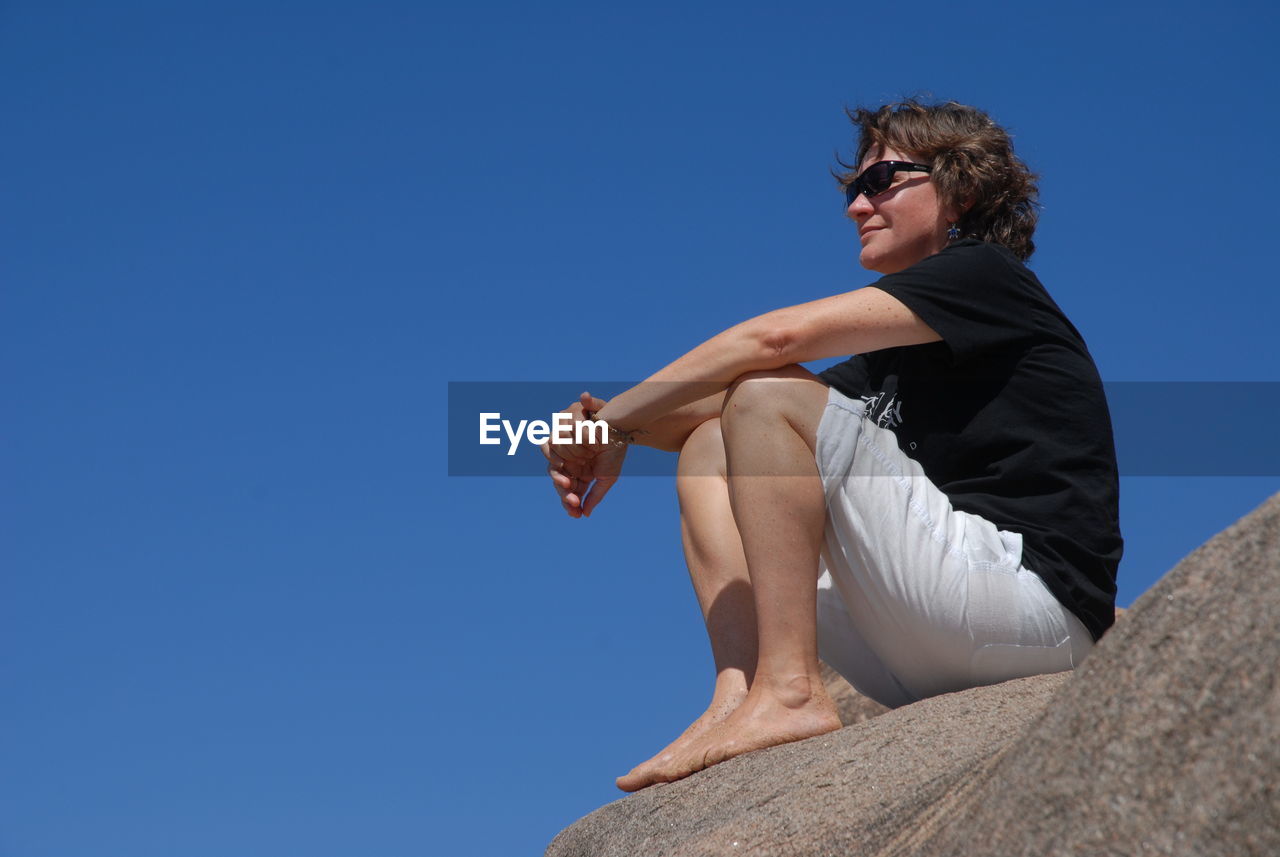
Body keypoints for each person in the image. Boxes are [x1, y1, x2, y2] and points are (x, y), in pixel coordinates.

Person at [543, 99, 1123, 793]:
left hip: (1034, 612)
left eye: (881, 182)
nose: (857, 206)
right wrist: (624, 430)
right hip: (929, 635)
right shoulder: (886, 361)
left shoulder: (987, 278)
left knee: (762, 392)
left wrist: (609, 424)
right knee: (712, 442)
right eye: (854, 190)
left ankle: (789, 691)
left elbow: (771, 346)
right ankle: (739, 692)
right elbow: (717, 418)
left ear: (960, 190)